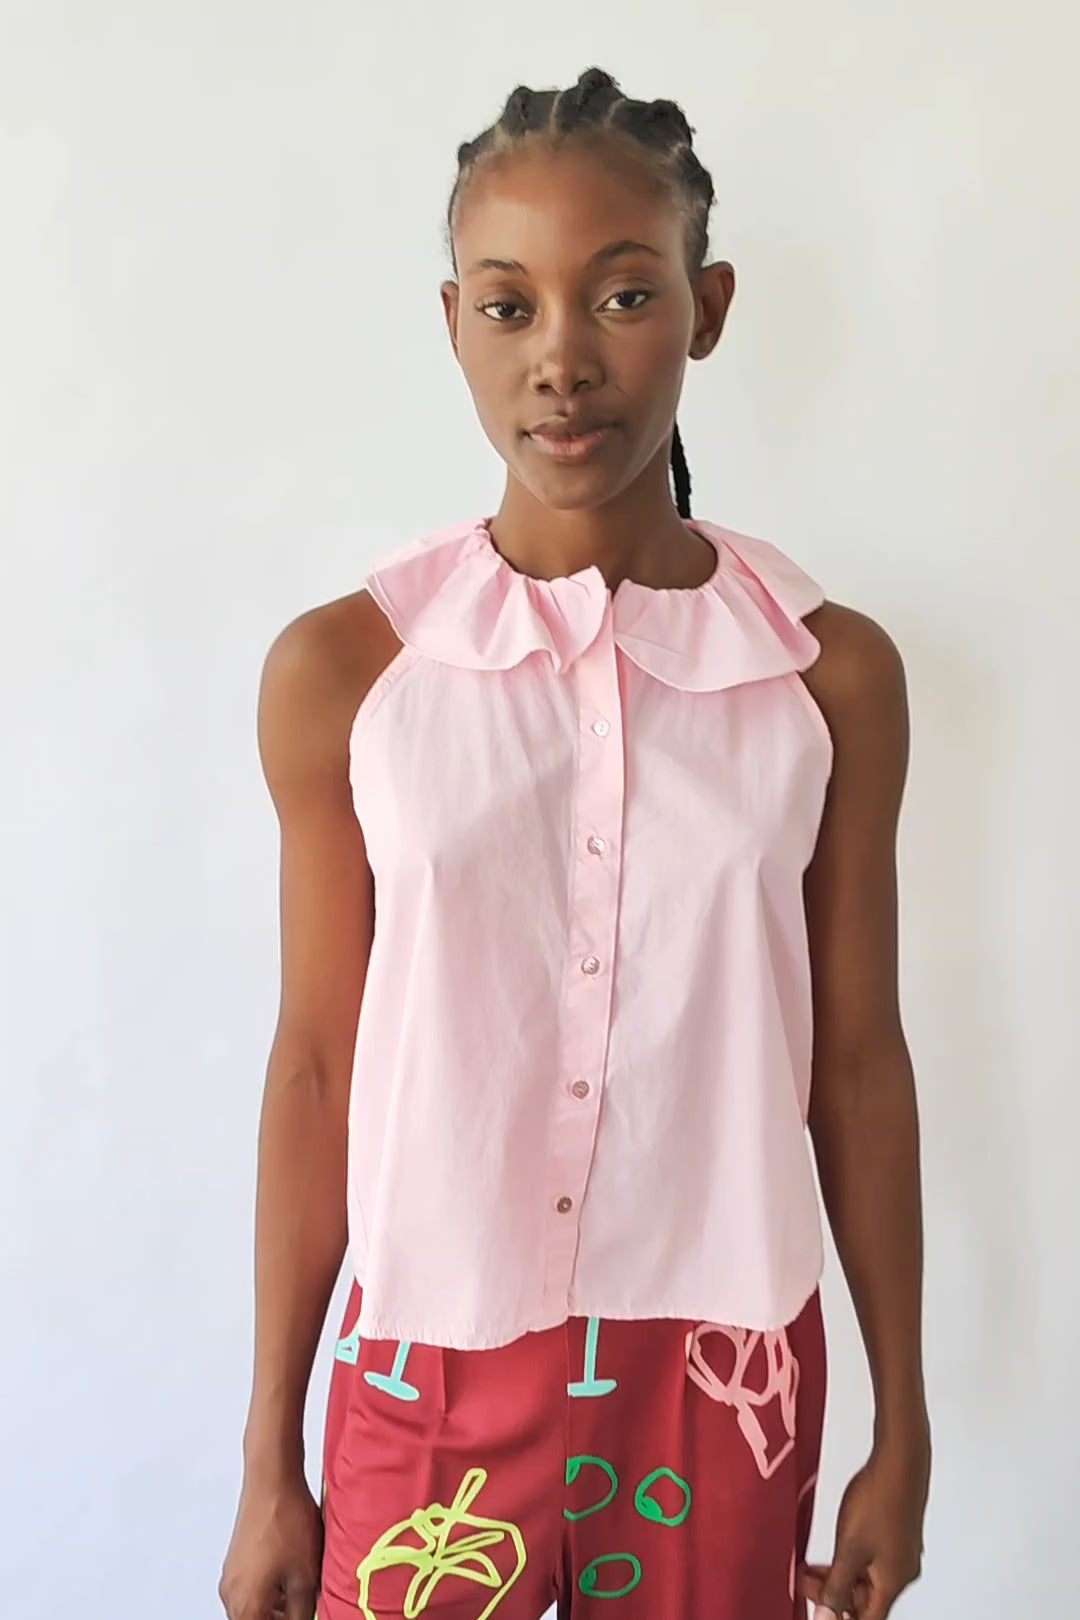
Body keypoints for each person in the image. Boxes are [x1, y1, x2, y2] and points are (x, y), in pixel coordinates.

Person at [219, 66, 931, 1620]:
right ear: (454, 324)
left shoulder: (828, 677)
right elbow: (318, 1068)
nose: (562, 360)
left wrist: (906, 1420)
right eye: (508, 306)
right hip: (432, 1357)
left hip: (723, 1368)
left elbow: (860, 1065)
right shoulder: (350, 675)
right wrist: (268, 1453)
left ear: (707, 308)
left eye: (621, 296)